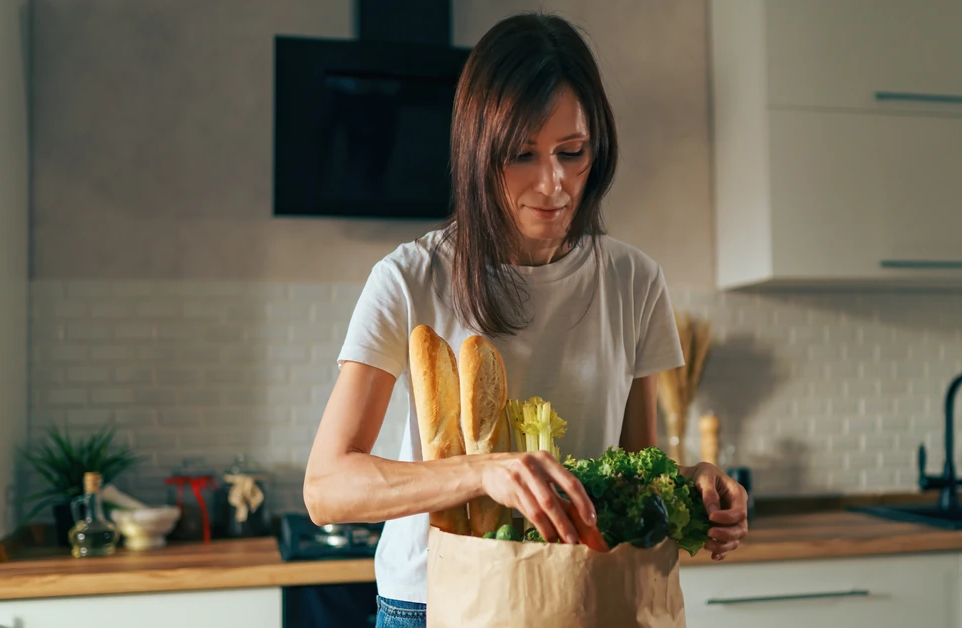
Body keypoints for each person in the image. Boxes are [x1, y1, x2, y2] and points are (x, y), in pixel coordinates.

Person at [304, 11, 749, 628]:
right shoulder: (409, 278)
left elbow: (634, 465)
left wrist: (695, 487)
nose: (555, 183)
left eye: (573, 152)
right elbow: (327, 488)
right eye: (522, 155)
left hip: (585, 596)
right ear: (479, 153)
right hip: (435, 602)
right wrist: (484, 471)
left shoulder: (634, 281)